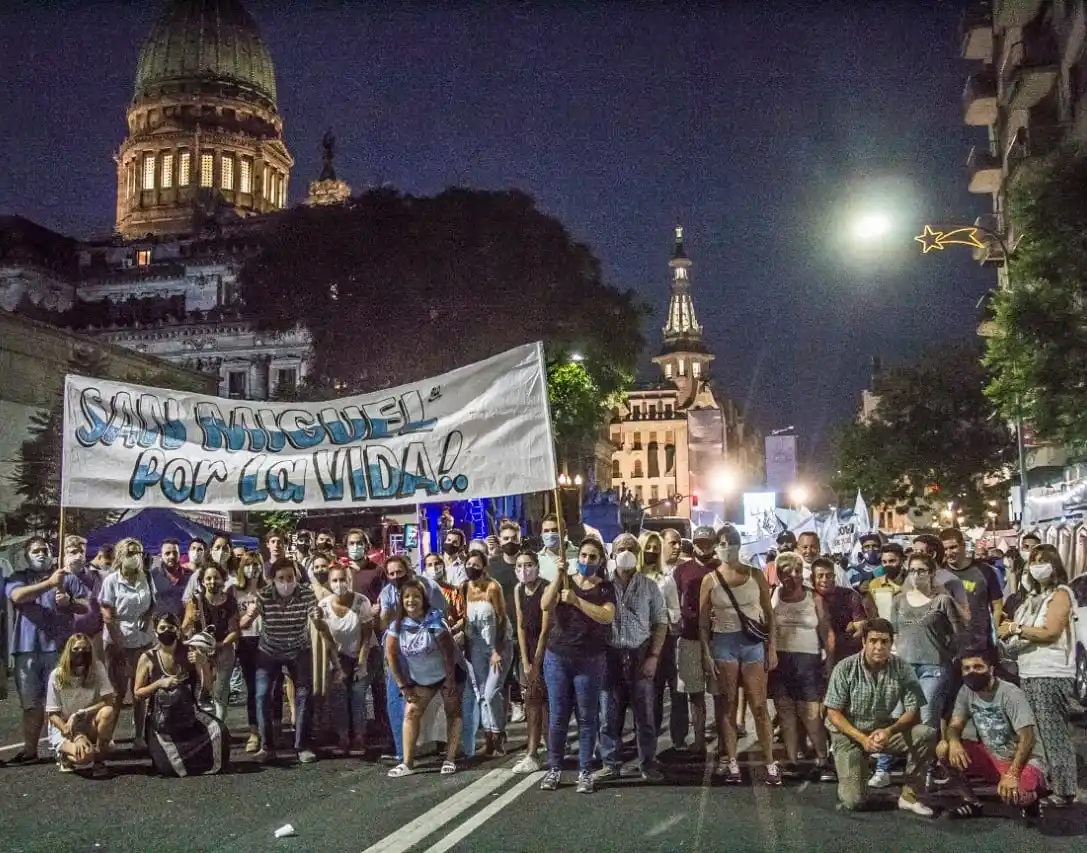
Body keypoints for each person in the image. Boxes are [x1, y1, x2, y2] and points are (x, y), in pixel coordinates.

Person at [824, 618, 936, 815]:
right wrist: (862, 739)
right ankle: (854, 767)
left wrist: (888, 731)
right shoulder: (845, 668)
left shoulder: (902, 668)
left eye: (884, 641)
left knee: (925, 733)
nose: (878, 647)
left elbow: (914, 712)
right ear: (864, 642)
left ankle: (909, 796)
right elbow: (833, 712)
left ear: (891, 643)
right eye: (873, 641)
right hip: (849, 734)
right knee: (854, 802)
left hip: (882, 729)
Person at [998, 544, 1078, 806]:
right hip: (1030, 671)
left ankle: (1065, 790)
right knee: (1039, 734)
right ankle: (1048, 782)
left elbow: (1050, 632)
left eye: (1044, 560)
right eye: (1033, 560)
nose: (1037, 565)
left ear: (1055, 565)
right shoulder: (1033, 598)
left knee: (1053, 732)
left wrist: (1016, 628)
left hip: (1051, 673)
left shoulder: (1061, 594)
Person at [698, 524, 777, 784]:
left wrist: (772, 647)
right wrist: (707, 654)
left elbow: (768, 612)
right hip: (724, 644)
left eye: (730, 542)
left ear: (739, 544)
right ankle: (731, 761)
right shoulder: (709, 579)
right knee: (728, 704)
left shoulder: (755, 575)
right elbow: (703, 622)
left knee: (758, 705)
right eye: (721, 543)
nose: (726, 547)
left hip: (752, 644)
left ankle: (770, 762)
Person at [539, 537, 616, 794]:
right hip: (558, 657)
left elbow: (606, 616)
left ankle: (585, 771)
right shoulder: (565, 581)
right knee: (558, 716)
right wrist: (558, 576)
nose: (586, 561)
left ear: (600, 561)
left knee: (587, 717)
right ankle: (554, 768)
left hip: (589, 660)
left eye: (592, 557)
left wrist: (576, 601)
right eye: (583, 555)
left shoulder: (605, 588)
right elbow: (545, 605)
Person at [6, 536, 91, 764]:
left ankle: (67, 748)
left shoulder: (67, 577)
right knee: (31, 704)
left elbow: (86, 605)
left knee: (62, 703)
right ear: (26, 556)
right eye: (35, 551)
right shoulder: (19, 578)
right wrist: (49, 584)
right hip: (26, 649)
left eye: (44, 549)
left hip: (58, 648)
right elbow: (18, 596)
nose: (41, 554)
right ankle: (30, 750)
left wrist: (69, 603)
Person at [937, 649, 1046, 822]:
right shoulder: (966, 691)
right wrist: (955, 742)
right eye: (967, 668)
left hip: (1025, 760)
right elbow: (955, 725)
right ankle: (972, 803)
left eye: (978, 667)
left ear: (991, 669)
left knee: (1014, 796)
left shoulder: (1010, 693)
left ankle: (1032, 799)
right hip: (994, 756)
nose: (971, 672)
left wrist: (1013, 775)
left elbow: (1028, 738)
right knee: (944, 748)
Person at [596, 532, 668, 783]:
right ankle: (610, 763)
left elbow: (660, 622)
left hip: (640, 654)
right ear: (612, 554)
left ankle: (648, 763)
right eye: (620, 548)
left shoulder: (649, 586)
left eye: (630, 548)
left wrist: (654, 657)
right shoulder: (602, 585)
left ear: (637, 555)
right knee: (608, 715)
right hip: (610, 656)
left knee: (645, 716)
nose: (625, 552)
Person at [249, 557, 331, 764]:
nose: (286, 582)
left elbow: (315, 615)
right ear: (272, 579)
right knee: (262, 696)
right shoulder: (264, 595)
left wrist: (318, 617)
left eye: (290, 577)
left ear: (296, 577)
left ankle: (302, 745)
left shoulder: (305, 593)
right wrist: (249, 616)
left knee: (304, 694)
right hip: (269, 650)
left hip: (298, 649)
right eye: (281, 578)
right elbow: (244, 623)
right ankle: (267, 746)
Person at [384, 578, 463, 777]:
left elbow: (448, 654)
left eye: (416, 596)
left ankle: (450, 758)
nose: (411, 600)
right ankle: (407, 763)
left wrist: (451, 681)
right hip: (421, 678)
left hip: (447, 673)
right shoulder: (397, 626)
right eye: (407, 596)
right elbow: (391, 655)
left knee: (452, 711)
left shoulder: (435, 622)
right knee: (411, 712)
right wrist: (402, 685)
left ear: (424, 599)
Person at [769, 552, 835, 782]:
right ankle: (791, 760)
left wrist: (829, 658)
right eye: (787, 572)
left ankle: (823, 759)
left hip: (808, 660)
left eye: (797, 571)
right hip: (781, 659)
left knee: (811, 714)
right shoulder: (774, 594)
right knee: (785, 712)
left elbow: (826, 630)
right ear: (779, 574)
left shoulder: (813, 597)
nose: (793, 576)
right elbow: (769, 628)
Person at [134, 613, 226, 777]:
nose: (166, 631)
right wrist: (158, 684)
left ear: (177, 631)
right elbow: (138, 693)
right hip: (161, 721)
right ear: (155, 631)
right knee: (167, 769)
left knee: (220, 731)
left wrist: (202, 663)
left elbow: (208, 687)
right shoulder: (147, 657)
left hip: (189, 715)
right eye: (162, 628)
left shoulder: (190, 653)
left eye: (171, 628)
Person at [378, 555, 448, 762]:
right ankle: (403, 751)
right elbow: (384, 624)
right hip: (400, 649)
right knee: (397, 697)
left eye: (399, 572)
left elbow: (441, 613)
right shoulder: (387, 592)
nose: (396, 577)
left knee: (438, 699)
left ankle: (443, 744)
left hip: (427, 649)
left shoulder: (428, 586)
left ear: (409, 570)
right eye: (391, 574)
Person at [100, 537, 154, 752]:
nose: (135, 557)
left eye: (138, 553)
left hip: (143, 640)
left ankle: (139, 735)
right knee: (117, 692)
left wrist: (148, 616)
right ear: (121, 556)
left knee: (140, 691)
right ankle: (107, 737)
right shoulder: (111, 581)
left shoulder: (147, 577)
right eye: (130, 553)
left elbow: (152, 603)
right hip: (118, 640)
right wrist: (119, 645)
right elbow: (107, 615)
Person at [672, 526, 722, 754]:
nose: (704, 546)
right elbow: (675, 601)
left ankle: (724, 740)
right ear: (693, 544)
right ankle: (699, 740)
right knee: (695, 693)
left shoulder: (723, 568)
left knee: (720, 693)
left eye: (708, 542)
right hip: (690, 637)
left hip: (717, 640)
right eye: (700, 542)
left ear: (715, 543)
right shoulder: (681, 570)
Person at [320, 563, 374, 756]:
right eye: (335, 580)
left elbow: (367, 635)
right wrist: (337, 667)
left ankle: (359, 736)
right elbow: (326, 638)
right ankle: (343, 736)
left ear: (349, 581)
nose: (339, 583)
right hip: (337, 656)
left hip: (360, 652)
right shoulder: (324, 606)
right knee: (339, 694)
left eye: (343, 579)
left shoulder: (361, 603)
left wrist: (362, 663)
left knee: (358, 694)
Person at [463, 550, 512, 756]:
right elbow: (467, 619)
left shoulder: (493, 587)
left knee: (492, 691)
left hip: (497, 645)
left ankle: (499, 733)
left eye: (476, 565)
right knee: (481, 693)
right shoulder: (466, 587)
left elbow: (501, 620)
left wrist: (496, 650)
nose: (471, 568)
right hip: (476, 644)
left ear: (484, 567)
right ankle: (489, 739)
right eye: (469, 564)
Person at [45, 633, 116, 777]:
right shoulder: (57, 675)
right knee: (84, 757)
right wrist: (75, 735)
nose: (81, 653)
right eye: (76, 649)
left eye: (85, 649)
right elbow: (52, 714)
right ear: (69, 651)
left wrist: (82, 713)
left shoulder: (98, 668)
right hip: (64, 726)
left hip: (87, 720)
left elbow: (109, 700)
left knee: (108, 712)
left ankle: (99, 759)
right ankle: (65, 755)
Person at [642, 529, 687, 749]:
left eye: (655, 548)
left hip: (667, 640)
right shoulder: (633, 577)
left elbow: (675, 612)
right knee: (650, 694)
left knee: (676, 690)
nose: (651, 552)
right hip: (639, 643)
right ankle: (649, 741)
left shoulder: (665, 580)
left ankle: (678, 738)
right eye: (647, 548)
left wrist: (660, 617)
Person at [181, 563, 240, 721]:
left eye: (216, 578)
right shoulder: (195, 601)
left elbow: (235, 631)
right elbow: (185, 628)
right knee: (204, 691)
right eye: (208, 578)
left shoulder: (230, 601)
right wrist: (191, 620)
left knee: (221, 691)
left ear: (223, 580)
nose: (212, 581)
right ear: (202, 581)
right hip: (201, 650)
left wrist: (219, 645)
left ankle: (220, 725)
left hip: (224, 647)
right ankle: (204, 726)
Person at [511, 549, 550, 774]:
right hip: (528, 651)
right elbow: (520, 625)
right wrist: (525, 661)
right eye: (519, 566)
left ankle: (546, 748)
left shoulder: (545, 588)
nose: (524, 570)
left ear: (537, 566)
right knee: (533, 702)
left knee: (546, 702)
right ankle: (533, 752)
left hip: (548, 650)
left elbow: (546, 629)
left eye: (528, 565)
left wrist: (536, 661)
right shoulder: (518, 589)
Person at [235, 552, 270, 753]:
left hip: (267, 642)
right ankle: (254, 732)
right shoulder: (236, 591)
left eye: (256, 564)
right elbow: (235, 623)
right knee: (252, 690)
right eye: (248, 565)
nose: (253, 568)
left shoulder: (267, 590)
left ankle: (269, 730)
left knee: (267, 689)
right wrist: (248, 614)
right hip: (246, 642)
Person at [812, 557, 866, 665]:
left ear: (834, 577)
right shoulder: (807, 598)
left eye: (828, 575)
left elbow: (861, 627)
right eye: (820, 576)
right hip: (816, 654)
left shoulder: (850, 596)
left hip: (847, 655)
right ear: (812, 579)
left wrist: (851, 631)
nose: (824, 579)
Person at [63, 535, 105, 659]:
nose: (79, 555)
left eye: (81, 551)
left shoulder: (95, 577)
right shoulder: (58, 577)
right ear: (65, 554)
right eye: (73, 552)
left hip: (95, 637)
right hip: (69, 640)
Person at [149, 538, 191, 620]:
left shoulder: (190, 576)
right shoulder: (152, 576)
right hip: (160, 627)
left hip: (184, 626)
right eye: (167, 553)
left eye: (175, 553)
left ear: (180, 555)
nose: (171, 556)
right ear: (161, 556)